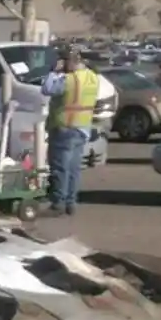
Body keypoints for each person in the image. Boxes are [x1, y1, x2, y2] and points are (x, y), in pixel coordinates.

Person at [42, 45, 101, 215]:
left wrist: (53, 71)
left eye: (64, 60)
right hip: (83, 129)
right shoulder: (92, 78)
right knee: (74, 169)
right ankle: (71, 202)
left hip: (64, 129)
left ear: (70, 61)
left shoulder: (69, 80)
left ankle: (58, 203)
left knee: (60, 168)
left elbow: (47, 89)